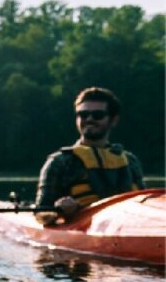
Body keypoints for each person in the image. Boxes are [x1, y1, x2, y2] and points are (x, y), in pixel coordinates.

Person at [34, 87, 145, 226]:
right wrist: (58, 210)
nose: (89, 119)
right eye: (83, 114)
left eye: (97, 115)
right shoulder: (59, 162)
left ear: (114, 120)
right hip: (83, 229)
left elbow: (144, 204)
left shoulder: (130, 161)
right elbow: (40, 214)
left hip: (129, 226)